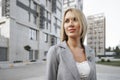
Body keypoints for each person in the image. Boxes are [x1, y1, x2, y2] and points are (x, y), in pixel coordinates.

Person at [46, 8, 96, 80]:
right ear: (64, 26)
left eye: (75, 19)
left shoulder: (90, 51)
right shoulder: (54, 51)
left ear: (82, 23)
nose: (70, 24)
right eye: (67, 21)